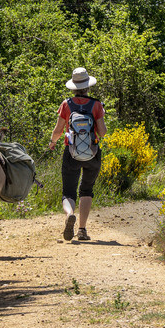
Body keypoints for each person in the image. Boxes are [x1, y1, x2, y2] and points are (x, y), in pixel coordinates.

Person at [47, 67, 106, 243]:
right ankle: (81, 230)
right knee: (86, 190)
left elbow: (58, 130)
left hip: (71, 153)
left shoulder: (66, 104)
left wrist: (52, 143)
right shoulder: (96, 105)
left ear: (73, 87)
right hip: (92, 153)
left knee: (68, 192)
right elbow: (102, 133)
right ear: (88, 86)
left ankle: (70, 214)